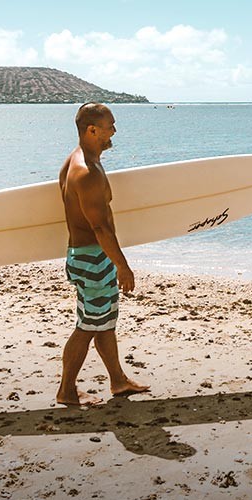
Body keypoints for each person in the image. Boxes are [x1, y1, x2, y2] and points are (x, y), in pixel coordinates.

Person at [56, 102, 150, 406]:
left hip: (88, 256)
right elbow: (99, 227)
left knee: (103, 322)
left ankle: (118, 381)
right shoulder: (88, 172)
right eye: (110, 125)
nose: (114, 131)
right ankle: (67, 391)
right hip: (93, 259)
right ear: (91, 130)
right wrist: (123, 266)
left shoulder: (75, 160)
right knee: (87, 327)